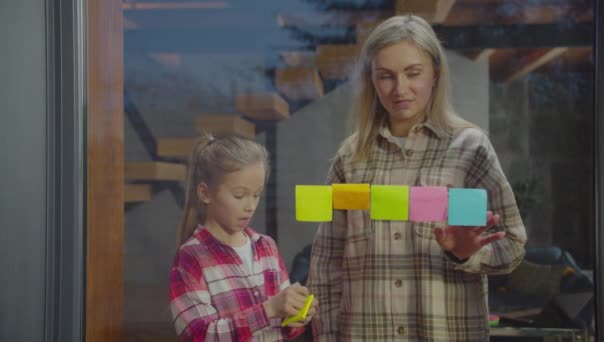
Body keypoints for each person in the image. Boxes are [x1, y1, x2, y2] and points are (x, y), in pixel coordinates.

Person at [308, 15, 527, 341]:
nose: (400, 89)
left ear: (435, 75)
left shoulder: (469, 149)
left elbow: (512, 245)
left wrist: (466, 253)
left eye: (413, 73)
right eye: (386, 77)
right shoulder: (350, 159)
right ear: (371, 80)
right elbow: (327, 264)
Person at [169, 134, 318, 341]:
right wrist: (268, 310)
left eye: (256, 195)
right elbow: (199, 335)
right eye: (239, 195)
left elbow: (283, 326)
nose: (250, 206)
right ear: (205, 193)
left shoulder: (267, 247)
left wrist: (296, 317)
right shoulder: (191, 257)